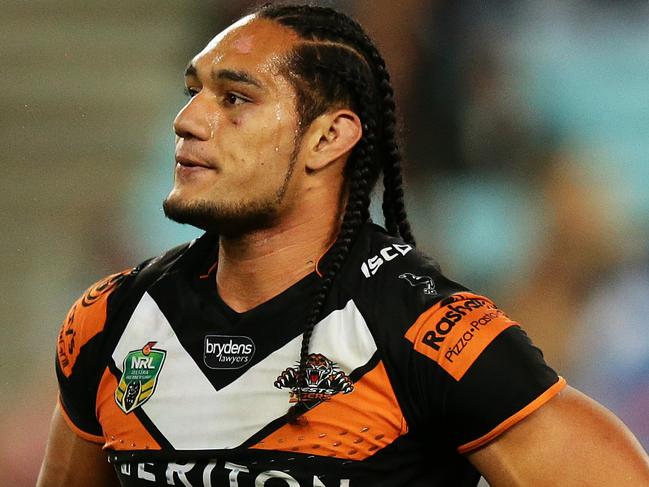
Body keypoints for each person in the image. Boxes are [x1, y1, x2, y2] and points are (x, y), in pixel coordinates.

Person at [37, 4, 648, 487]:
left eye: (236, 98)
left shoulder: (428, 336)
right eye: (193, 91)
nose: (189, 118)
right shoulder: (109, 323)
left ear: (329, 138)